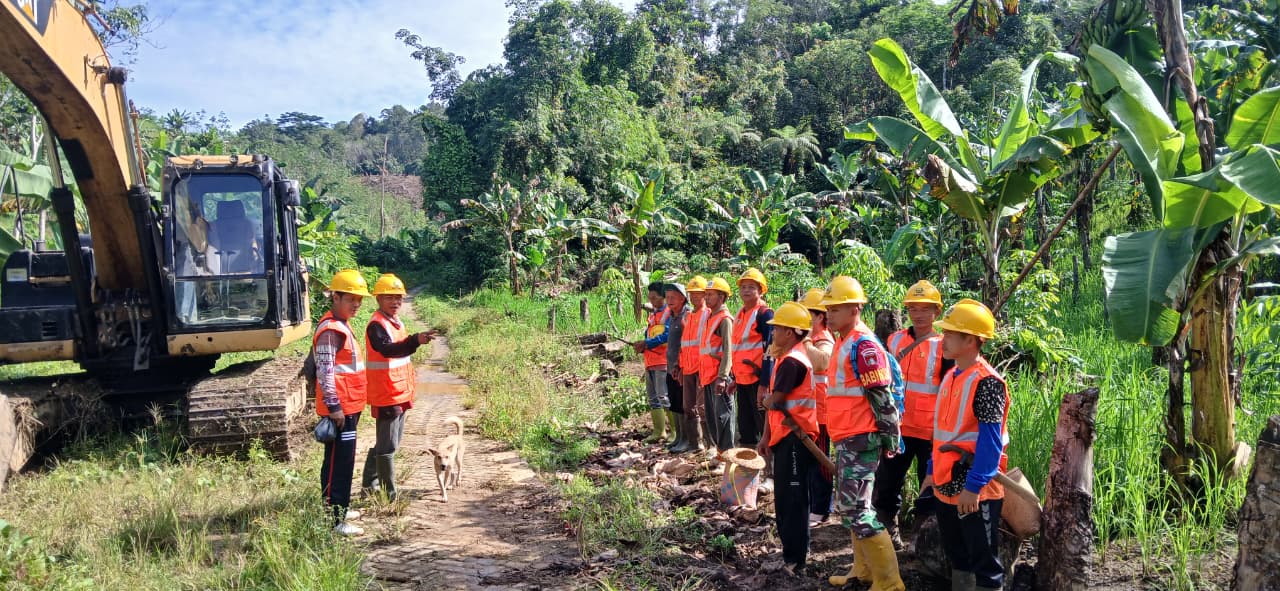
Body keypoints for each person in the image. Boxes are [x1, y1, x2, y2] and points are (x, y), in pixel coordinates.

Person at [822, 276, 905, 590]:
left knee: (859, 509)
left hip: (862, 437)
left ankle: (889, 580)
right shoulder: (844, 340)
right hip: (846, 436)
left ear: (855, 308)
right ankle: (863, 570)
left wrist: (890, 437)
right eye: (828, 308)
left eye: (836, 308)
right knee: (850, 508)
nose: (829, 313)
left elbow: (881, 396)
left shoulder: (863, 344)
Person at [921, 299, 1009, 591]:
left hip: (975, 490)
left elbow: (990, 442)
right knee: (957, 556)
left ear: (970, 340)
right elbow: (941, 432)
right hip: (945, 484)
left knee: (984, 562)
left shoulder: (987, 382)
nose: (942, 340)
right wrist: (932, 471)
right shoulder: (951, 376)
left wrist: (973, 487)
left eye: (949, 334)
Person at [872, 279, 952, 548]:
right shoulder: (894, 340)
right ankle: (887, 533)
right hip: (899, 428)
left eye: (924, 309)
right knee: (887, 483)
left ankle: (923, 538)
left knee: (930, 486)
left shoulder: (944, 346)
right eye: (913, 308)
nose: (918, 314)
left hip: (932, 431)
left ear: (936, 313)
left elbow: (950, 387)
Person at [360, 273, 435, 501]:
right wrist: (415, 340)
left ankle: (369, 487)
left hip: (399, 391)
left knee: (390, 442)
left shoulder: (395, 321)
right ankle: (388, 495)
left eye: (398, 298)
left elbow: (399, 353)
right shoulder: (376, 325)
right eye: (389, 298)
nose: (395, 302)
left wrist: (414, 341)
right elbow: (389, 350)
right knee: (388, 445)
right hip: (386, 393)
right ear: (378, 299)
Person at [757, 302, 819, 576]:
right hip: (786, 436)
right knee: (785, 498)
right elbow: (776, 407)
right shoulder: (787, 358)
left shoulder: (793, 361)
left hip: (796, 439)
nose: (774, 333)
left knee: (793, 500)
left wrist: (766, 401)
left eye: (779, 329)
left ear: (792, 332)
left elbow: (777, 401)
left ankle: (796, 558)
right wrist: (766, 436)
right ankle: (791, 553)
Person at [313, 269, 372, 536]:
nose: (356, 305)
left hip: (349, 406)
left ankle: (338, 507)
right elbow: (325, 372)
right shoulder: (331, 330)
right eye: (351, 299)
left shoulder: (342, 326)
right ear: (335, 297)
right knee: (340, 463)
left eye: (359, 300)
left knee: (338, 461)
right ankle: (336, 520)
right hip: (341, 409)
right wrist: (335, 407)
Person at [799, 288, 836, 527]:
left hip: (821, 411)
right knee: (809, 461)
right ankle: (813, 504)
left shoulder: (823, 338)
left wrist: (804, 341)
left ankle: (822, 508)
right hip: (808, 411)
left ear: (819, 316)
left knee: (820, 461)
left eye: (808, 314)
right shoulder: (811, 336)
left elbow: (823, 362)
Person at [732, 268, 774, 449]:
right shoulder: (740, 314)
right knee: (745, 426)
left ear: (761, 290)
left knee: (763, 425)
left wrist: (764, 383)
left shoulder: (765, 314)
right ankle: (749, 468)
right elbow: (738, 348)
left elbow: (771, 350)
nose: (746, 290)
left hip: (757, 380)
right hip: (742, 380)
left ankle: (770, 470)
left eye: (751, 287)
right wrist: (734, 377)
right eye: (743, 287)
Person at [699, 277, 735, 465]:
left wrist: (722, 377)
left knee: (724, 418)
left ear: (721, 297)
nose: (707, 297)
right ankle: (720, 454)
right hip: (707, 376)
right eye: (706, 294)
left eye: (711, 294)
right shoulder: (710, 317)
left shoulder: (725, 320)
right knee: (713, 418)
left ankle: (727, 458)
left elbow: (728, 351)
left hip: (718, 377)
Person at [672, 276, 709, 453]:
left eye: (698, 294)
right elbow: (684, 344)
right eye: (692, 294)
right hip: (687, 367)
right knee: (688, 406)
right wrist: (679, 366)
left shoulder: (707, 314)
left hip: (702, 367)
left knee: (702, 408)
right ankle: (695, 444)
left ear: (705, 295)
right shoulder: (689, 316)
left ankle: (708, 445)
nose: (694, 297)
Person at [634, 281, 672, 444]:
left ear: (663, 297)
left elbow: (667, 335)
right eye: (650, 298)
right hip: (650, 360)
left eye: (655, 298)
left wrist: (647, 343)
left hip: (663, 361)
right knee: (653, 398)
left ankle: (675, 432)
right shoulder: (652, 315)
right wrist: (643, 344)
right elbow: (649, 335)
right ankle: (659, 431)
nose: (652, 301)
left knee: (665, 397)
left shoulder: (669, 314)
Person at [662, 282, 693, 452]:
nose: (669, 300)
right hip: (671, 367)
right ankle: (679, 437)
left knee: (683, 403)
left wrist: (680, 366)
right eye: (667, 297)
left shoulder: (686, 316)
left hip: (682, 368)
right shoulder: (672, 316)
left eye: (673, 297)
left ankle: (688, 439)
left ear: (682, 298)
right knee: (674, 402)